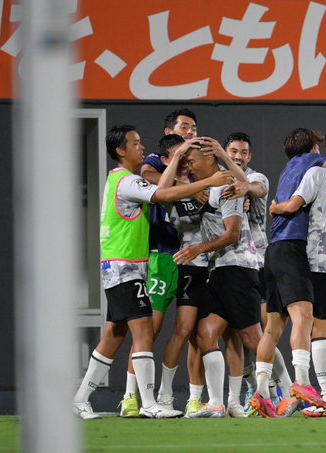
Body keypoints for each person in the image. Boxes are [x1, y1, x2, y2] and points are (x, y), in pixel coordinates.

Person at [72, 125, 231, 419]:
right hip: (125, 267)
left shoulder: (119, 179)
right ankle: (148, 402)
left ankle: (81, 398)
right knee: (144, 329)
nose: (141, 147)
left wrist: (178, 156)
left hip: (120, 266)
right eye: (135, 143)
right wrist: (209, 181)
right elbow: (163, 194)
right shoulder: (128, 181)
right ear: (120, 150)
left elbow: (162, 190)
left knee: (114, 335)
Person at [249, 128, 326, 418]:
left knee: (287, 326)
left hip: (308, 256)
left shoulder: (312, 172)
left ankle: (268, 391)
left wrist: (276, 208)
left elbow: (293, 204)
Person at [121, 108, 208, 418]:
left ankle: (170, 396)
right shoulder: (158, 160)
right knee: (150, 329)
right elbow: (151, 182)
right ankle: (130, 396)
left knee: (188, 330)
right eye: (184, 127)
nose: (190, 131)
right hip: (160, 254)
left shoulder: (196, 164)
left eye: (193, 127)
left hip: (191, 259)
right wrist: (191, 188)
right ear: (170, 131)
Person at [173, 145, 265, 418]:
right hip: (219, 270)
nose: (189, 166)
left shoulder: (228, 185)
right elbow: (161, 187)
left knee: (252, 338)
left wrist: (198, 249)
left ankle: (287, 388)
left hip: (238, 268)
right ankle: (219, 402)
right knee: (205, 334)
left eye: (192, 160)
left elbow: (233, 233)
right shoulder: (206, 187)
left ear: (210, 158)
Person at [221, 132, 287, 410]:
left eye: (243, 152)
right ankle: (255, 388)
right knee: (233, 333)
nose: (238, 156)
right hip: (226, 265)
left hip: (257, 264)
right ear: (225, 152)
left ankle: (283, 388)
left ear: (250, 156)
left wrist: (245, 189)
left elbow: (258, 189)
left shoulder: (256, 177)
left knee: (260, 332)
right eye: (233, 151)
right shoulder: (216, 180)